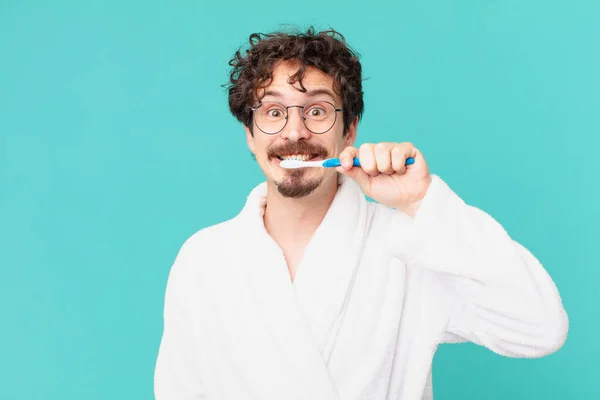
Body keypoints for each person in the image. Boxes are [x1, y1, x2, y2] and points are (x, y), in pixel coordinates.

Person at [154, 27, 568, 400]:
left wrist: (421, 202)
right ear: (249, 134)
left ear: (349, 130)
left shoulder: (411, 245)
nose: (295, 132)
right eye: (274, 113)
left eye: (316, 111)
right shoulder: (204, 260)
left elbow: (540, 329)